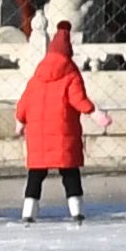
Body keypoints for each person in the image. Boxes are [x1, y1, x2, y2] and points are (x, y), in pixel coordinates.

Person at [16, 22, 101, 221]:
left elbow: (23, 103)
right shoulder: (71, 75)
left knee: (36, 174)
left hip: (38, 138)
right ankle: (76, 211)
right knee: (69, 172)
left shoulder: (36, 78)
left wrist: (20, 122)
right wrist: (95, 112)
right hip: (64, 134)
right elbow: (79, 100)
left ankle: (28, 211)